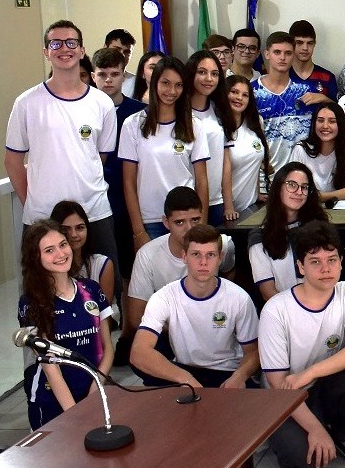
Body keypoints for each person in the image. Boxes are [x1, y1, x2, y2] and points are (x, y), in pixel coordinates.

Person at [260, 221, 345, 468]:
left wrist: (310, 373)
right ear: (300, 267)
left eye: (332, 260)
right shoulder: (276, 309)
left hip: (322, 385)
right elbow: (279, 384)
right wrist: (314, 429)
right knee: (304, 464)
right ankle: (299, 430)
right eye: (315, 262)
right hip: (285, 397)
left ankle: (342, 432)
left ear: (340, 262)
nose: (326, 269)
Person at [6, 20, 120, 263]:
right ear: (46, 52)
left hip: (94, 211)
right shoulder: (27, 103)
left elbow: (99, 157)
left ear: (82, 50)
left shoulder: (102, 103)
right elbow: (13, 161)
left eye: (71, 43)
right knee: (43, 294)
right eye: (55, 43)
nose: (64, 49)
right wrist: (34, 203)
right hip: (43, 217)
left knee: (102, 288)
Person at [131, 224, 260, 389]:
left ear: (220, 258)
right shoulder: (164, 297)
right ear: (184, 256)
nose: (203, 262)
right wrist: (185, 379)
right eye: (196, 254)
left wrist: (239, 376)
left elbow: (254, 351)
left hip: (226, 371)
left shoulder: (238, 297)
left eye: (211, 255)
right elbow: (139, 352)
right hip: (186, 371)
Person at [18, 219, 114, 430]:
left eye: (63, 245)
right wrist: (76, 414)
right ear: (36, 257)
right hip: (53, 400)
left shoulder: (92, 289)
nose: (61, 254)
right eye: (49, 250)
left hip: (93, 392)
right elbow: (49, 365)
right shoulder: (31, 302)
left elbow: (107, 349)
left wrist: (94, 392)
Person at [125, 187, 235, 343]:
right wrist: (183, 331)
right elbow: (136, 317)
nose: (189, 229)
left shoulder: (222, 245)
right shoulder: (147, 255)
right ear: (166, 222)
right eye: (179, 222)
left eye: (195, 220)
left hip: (212, 327)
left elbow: (230, 276)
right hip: (167, 332)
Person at [119, 56, 210, 243]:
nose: (171, 91)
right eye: (165, 83)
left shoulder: (195, 125)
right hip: (149, 220)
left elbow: (201, 180)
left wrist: (201, 225)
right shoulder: (133, 124)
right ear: (154, 83)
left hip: (186, 220)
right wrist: (138, 231)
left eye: (178, 85)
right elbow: (128, 182)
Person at [92, 48, 146, 276]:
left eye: (114, 74)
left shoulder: (141, 112)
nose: (108, 80)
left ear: (124, 76)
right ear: (93, 76)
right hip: (94, 199)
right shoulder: (83, 110)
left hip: (130, 199)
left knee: (129, 270)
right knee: (98, 266)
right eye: (102, 74)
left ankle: (128, 312)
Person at [248, 164, 326, 302]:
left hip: (322, 306)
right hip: (283, 313)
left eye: (305, 187)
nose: (299, 191)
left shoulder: (320, 228)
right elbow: (268, 292)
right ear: (278, 188)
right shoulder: (260, 237)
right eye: (292, 185)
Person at [254, 32, 327, 177]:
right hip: (266, 178)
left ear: (293, 55)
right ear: (267, 54)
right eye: (277, 52)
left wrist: (325, 99)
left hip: (303, 177)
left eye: (288, 53)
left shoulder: (306, 90)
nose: (282, 58)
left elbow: (333, 118)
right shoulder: (252, 92)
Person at [186, 50, 230, 225]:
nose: (209, 79)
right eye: (202, 72)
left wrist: (228, 203)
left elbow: (225, 160)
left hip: (215, 199)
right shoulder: (179, 112)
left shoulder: (219, 110)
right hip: (187, 203)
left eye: (214, 74)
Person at [289, 102, 345, 203]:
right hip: (308, 208)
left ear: (340, 124)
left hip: (339, 209)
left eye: (332, 121)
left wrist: (321, 197)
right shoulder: (301, 149)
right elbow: (292, 187)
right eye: (320, 120)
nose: (325, 126)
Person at [221, 74, 271, 221]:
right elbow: (225, 170)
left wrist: (256, 194)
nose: (239, 98)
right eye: (234, 92)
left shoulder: (255, 123)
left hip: (250, 206)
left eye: (245, 95)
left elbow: (254, 162)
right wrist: (228, 207)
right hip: (228, 210)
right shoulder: (219, 127)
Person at [49, 200, 115, 309]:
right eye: (66, 229)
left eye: (79, 228)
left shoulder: (101, 264)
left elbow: (105, 316)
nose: (74, 235)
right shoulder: (47, 265)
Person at [287, 19, 340, 100]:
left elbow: (337, 111)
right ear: (291, 44)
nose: (305, 48)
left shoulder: (327, 77)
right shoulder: (283, 74)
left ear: (314, 44)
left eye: (310, 43)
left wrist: (325, 99)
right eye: (299, 43)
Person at [104, 28, 137, 97]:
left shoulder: (137, 83)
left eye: (127, 52)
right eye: (117, 49)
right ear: (105, 48)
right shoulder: (90, 79)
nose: (122, 55)